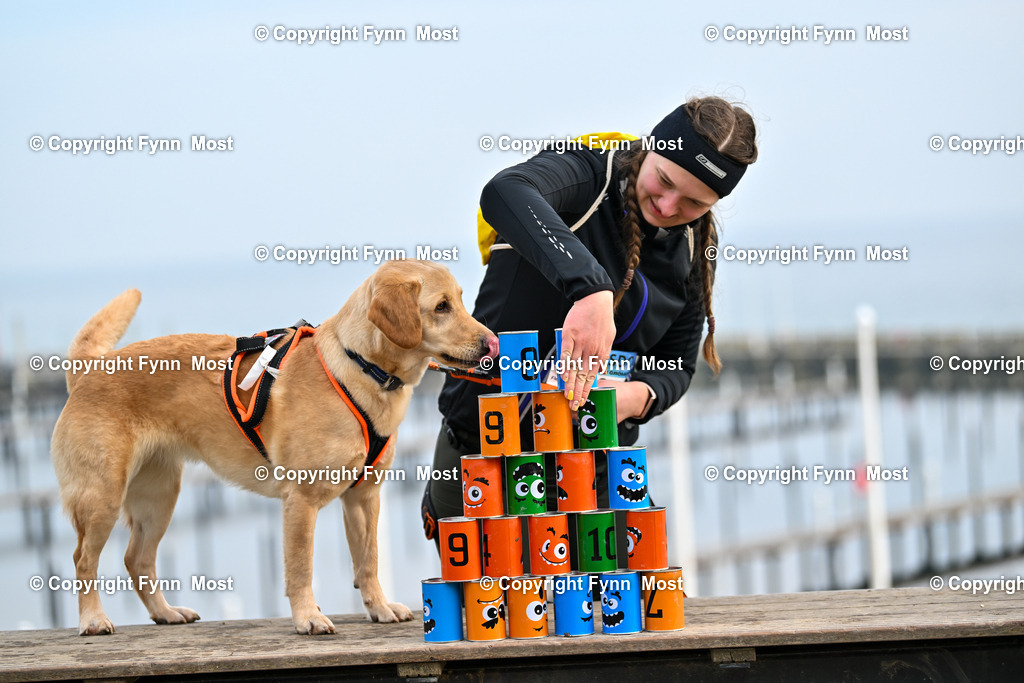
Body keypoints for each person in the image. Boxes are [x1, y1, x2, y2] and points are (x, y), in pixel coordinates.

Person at [422, 96, 758, 540]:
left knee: (627, 602)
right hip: (482, 452)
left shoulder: (695, 246)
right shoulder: (588, 175)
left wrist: (634, 397)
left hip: (595, 461)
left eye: (694, 202)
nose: (669, 205)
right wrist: (591, 289)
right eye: (663, 180)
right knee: (490, 606)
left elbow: (677, 365)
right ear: (651, 147)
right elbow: (503, 192)